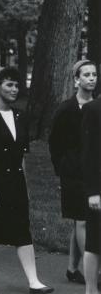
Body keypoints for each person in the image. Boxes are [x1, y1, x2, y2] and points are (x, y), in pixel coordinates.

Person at [0, 67, 53, 294]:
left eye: (16, 85)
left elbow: (21, 156)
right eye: (9, 85)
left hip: (14, 182)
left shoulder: (20, 116)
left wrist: (24, 186)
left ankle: (34, 280)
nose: (14, 89)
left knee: (21, 231)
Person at [49, 60, 97, 284]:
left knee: (84, 221)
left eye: (94, 74)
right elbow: (54, 142)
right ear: (76, 79)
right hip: (73, 173)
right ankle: (92, 274)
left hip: (93, 172)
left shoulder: (96, 107)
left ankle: (71, 268)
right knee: (82, 221)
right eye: (86, 75)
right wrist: (63, 169)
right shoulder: (66, 109)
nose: (91, 78)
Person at [81, 94, 101, 294]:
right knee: (95, 242)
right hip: (99, 188)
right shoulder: (93, 109)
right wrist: (93, 191)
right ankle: (91, 289)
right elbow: (88, 153)